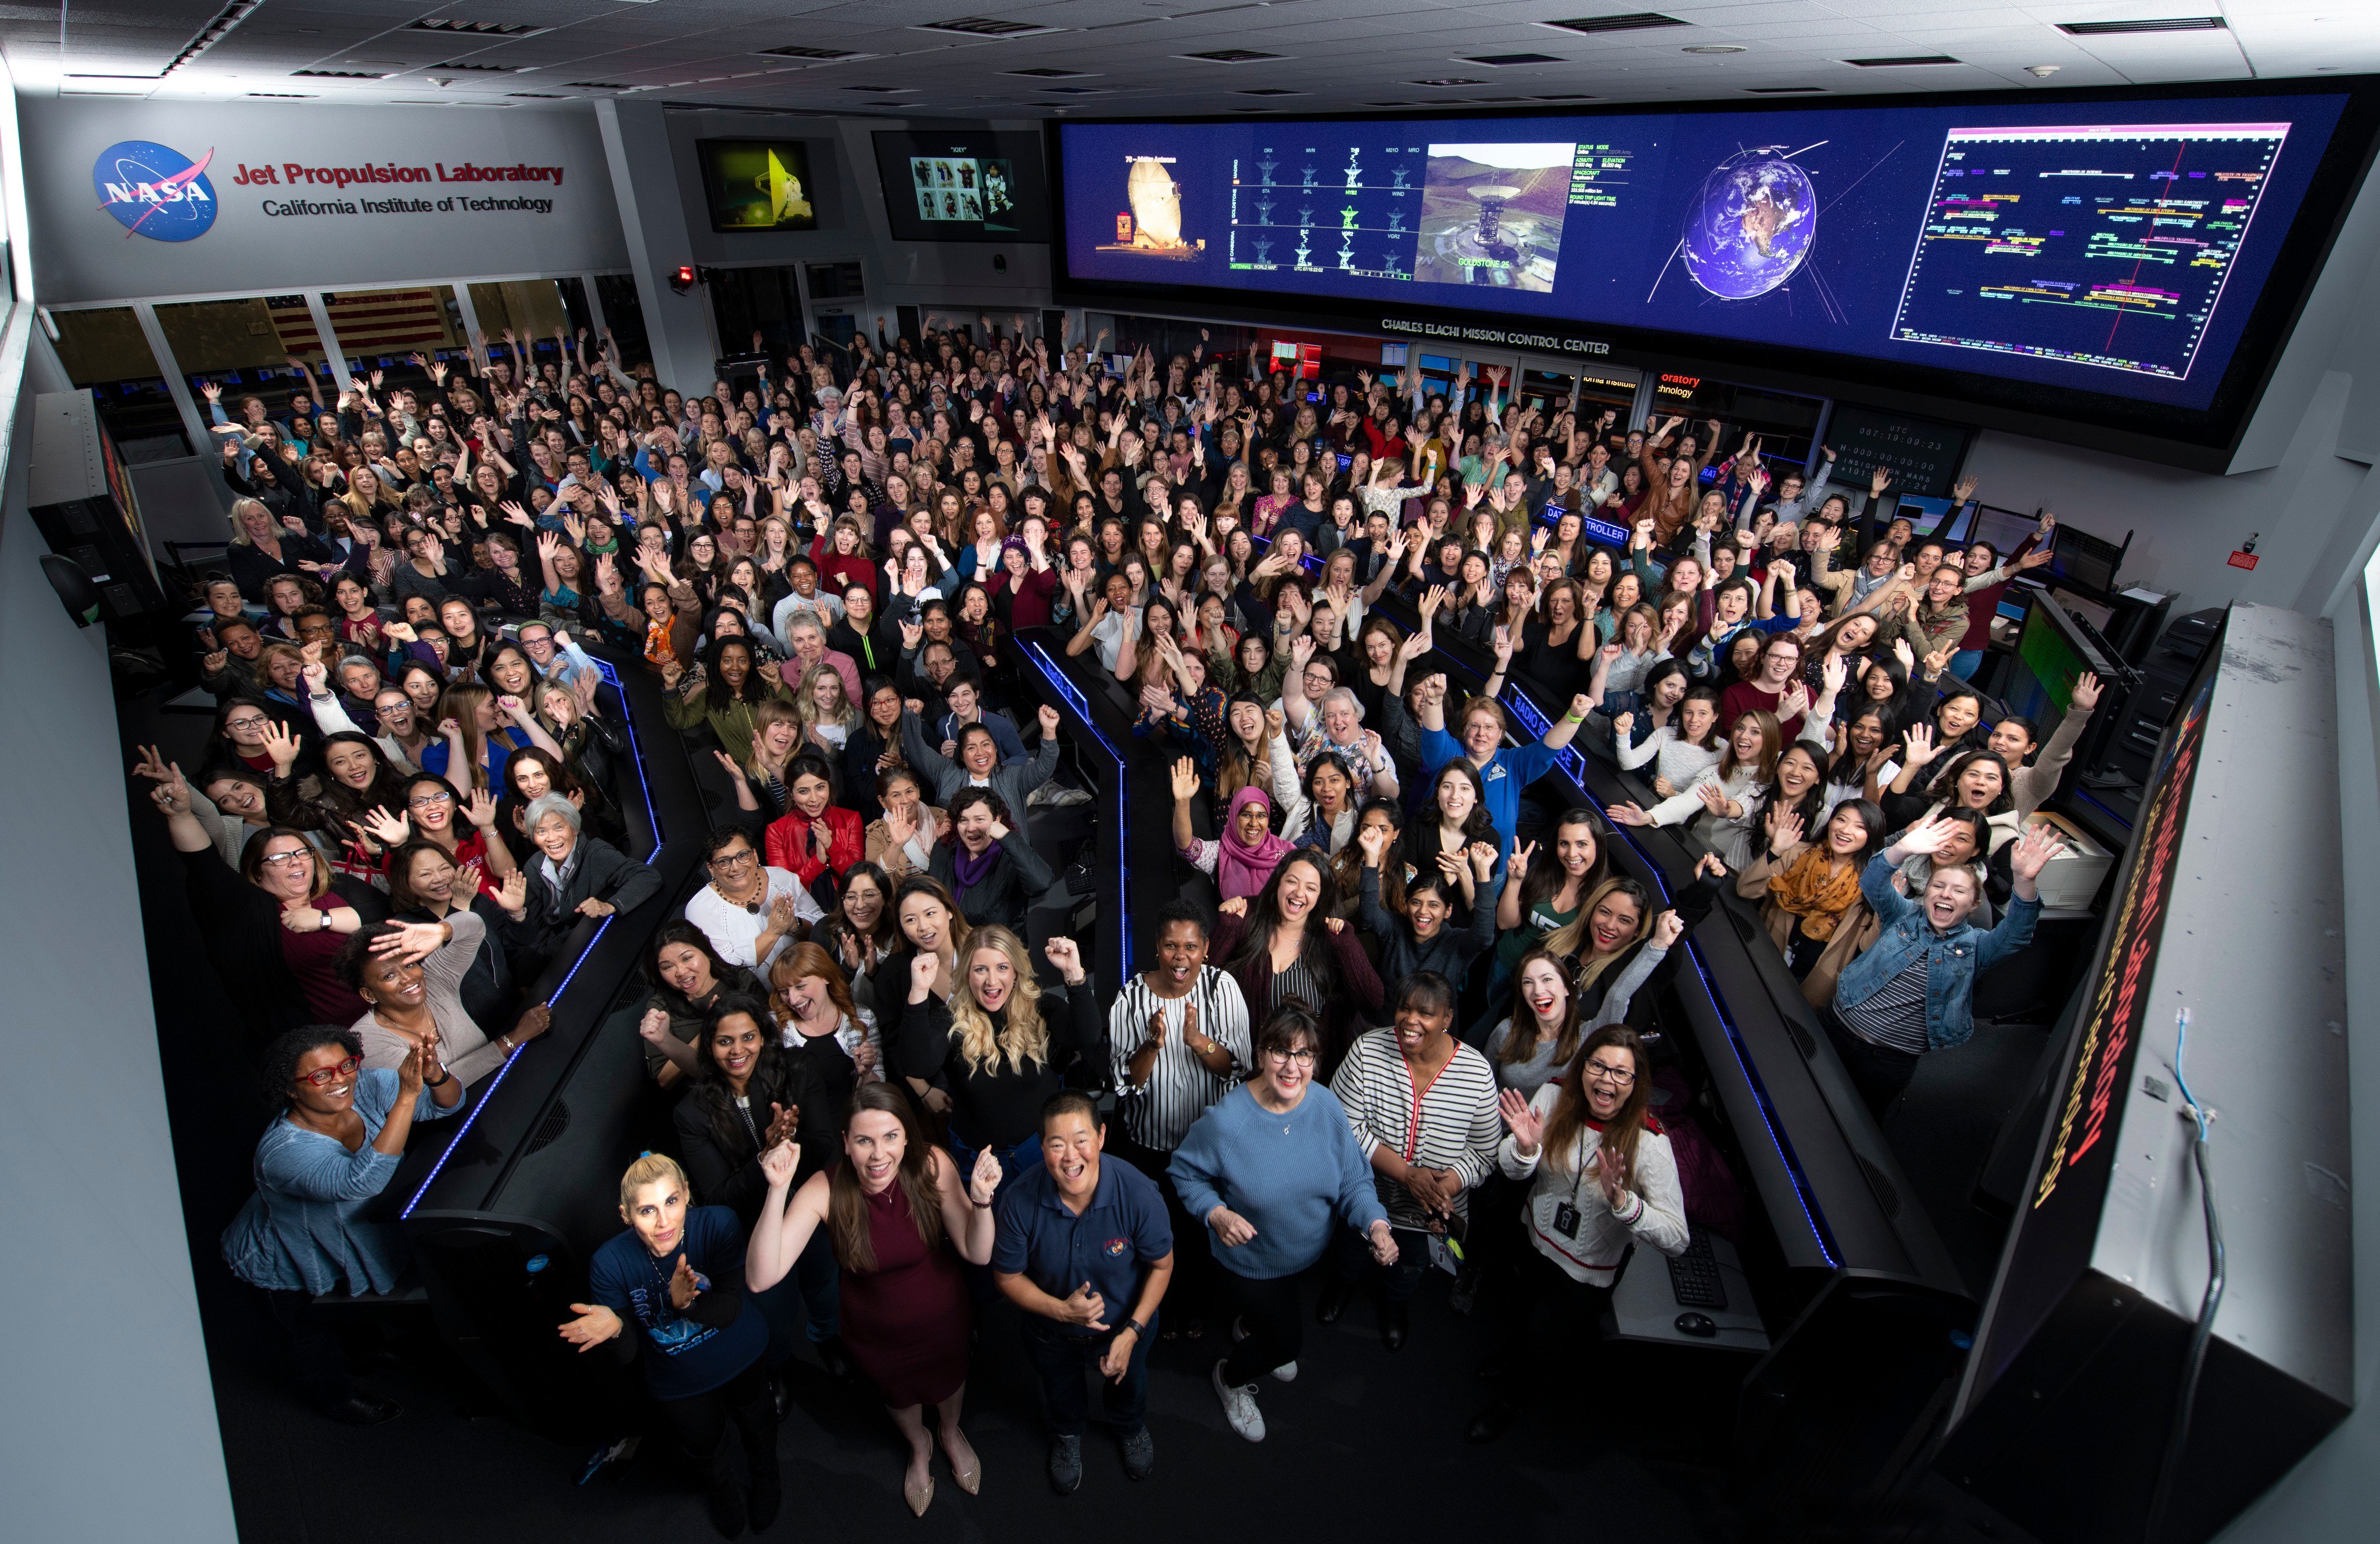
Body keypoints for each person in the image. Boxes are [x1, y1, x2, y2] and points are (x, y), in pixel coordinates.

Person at [744, 1086, 1003, 1516]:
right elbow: (760, 1277)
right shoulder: (825, 1188)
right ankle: (919, 1445)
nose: (878, 1154)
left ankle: (950, 1433)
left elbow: (977, 1252)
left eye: (890, 1137)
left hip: (943, 1318)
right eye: (864, 1140)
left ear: (907, 1137)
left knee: (950, 1381)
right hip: (874, 1332)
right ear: (846, 1142)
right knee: (897, 1395)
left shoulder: (932, 1164)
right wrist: (777, 1189)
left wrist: (981, 1201)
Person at [1169, 1006, 1396, 1443]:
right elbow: (1184, 1172)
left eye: (1304, 1054)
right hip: (1251, 1263)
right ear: (1260, 1055)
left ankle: (1254, 1326)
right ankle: (1230, 1378)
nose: (1293, 1066)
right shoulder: (1227, 1121)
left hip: (1304, 1254)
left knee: (1276, 1311)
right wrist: (1216, 1212)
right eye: (1281, 1052)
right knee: (1285, 1345)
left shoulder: (1326, 1105)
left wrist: (1376, 1224)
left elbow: (1353, 1178)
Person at [221, 1027, 461, 1423]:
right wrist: (406, 1097)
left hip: (340, 1239)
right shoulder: (282, 1152)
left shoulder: (367, 1086)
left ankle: (361, 1354)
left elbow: (448, 1105)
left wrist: (436, 1076)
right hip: (283, 1259)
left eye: (346, 1065)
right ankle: (337, 1399)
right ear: (290, 1089)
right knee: (306, 1336)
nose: (341, 1079)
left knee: (344, 1306)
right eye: (321, 1075)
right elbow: (361, 1182)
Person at [1465, 1024, 1689, 1443]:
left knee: (1545, 1338)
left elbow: (1678, 1238)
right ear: (1582, 1066)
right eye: (1598, 1066)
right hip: (1535, 1239)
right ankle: (1511, 1357)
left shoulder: (1650, 1142)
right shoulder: (1554, 1096)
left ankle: (1514, 1401)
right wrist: (1524, 1149)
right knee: (1520, 1309)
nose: (1607, 1080)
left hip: (1584, 1273)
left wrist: (1624, 1203)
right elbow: (1512, 1168)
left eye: (1621, 1073)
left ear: (1636, 1083)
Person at [560, 1155, 782, 1538]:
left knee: (758, 1423)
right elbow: (629, 1355)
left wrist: (688, 1305)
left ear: (687, 1195)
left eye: (671, 1202)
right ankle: (722, 1492)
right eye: (647, 1210)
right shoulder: (609, 1263)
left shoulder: (718, 1223)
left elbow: (731, 1308)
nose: (664, 1221)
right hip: (679, 1378)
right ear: (626, 1215)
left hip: (740, 1352)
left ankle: (766, 1475)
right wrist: (616, 1328)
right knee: (704, 1446)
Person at [993, 1091, 1176, 1492]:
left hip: (1126, 1324)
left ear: (1102, 1137)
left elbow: (1162, 1266)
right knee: (1059, 1391)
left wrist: (1132, 1333)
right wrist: (1062, 1311)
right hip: (1051, 1331)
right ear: (1042, 1146)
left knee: (1131, 1386)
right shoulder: (1019, 1199)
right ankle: (1068, 1434)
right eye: (1057, 1144)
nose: (1070, 1156)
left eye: (1081, 1140)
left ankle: (1130, 1427)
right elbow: (1007, 1278)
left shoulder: (1138, 1193)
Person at [1825, 816, 2062, 1114]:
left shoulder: (1977, 946)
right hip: (1837, 1028)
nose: (1946, 894)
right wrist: (1902, 848)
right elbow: (1872, 881)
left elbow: (2016, 934)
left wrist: (2025, 881)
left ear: (1974, 905)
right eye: (1938, 886)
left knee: (1859, 1119)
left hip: (1888, 1060)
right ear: (1927, 894)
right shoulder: (1903, 914)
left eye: (1959, 891)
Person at [1317, 973, 1502, 1350]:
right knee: (1351, 1250)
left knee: (1409, 1268)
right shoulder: (1368, 1050)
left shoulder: (1477, 1073)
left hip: (1427, 1214)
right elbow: (1340, 1124)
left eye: (1425, 1013)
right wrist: (1407, 1174)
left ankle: (1394, 1304)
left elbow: (1485, 1151)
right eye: (1404, 1008)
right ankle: (1344, 1285)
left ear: (1447, 1018)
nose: (1410, 1020)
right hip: (1364, 1194)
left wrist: (1446, 1187)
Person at [149, 761, 392, 1037]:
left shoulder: (339, 886)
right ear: (257, 871)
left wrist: (322, 919)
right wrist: (180, 816)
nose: (295, 862)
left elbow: (389, 916)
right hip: (331, 1042)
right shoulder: (253, 913)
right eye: (279, 857)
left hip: (397, 1017)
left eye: (302, 853)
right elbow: (204, 866)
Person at [1105, 901, 1250, 1341]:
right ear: (1157, 947)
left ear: (1206, 948)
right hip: (1148, 1146)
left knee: (1199, 1232)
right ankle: (1161, 1308)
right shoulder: (1131, 997)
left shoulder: (1222, 988)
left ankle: (1196, 1306)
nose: (1180, 956)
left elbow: (1237, 1068)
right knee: (1156, 1231)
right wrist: (1152, 1045)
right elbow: (1124, 1082)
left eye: (1190, 946)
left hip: (1207, 1148)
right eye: (1171, 945)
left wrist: (1198, 1042)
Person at [898, 930, 1098, 1183]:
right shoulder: (950, 1019)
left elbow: (1086, 1036)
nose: (991, 981)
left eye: (1002, 967)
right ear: (967, 974)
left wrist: (1073, 973)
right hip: (980, 1163)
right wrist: (918, 992)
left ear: (1016, 971)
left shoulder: (1041, 1007)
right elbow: (917, 1065)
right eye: (980, 969)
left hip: (1043, 1153)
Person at [1210, 850, 1382, 1070]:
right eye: (1292, 882)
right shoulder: (1247, 917)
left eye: (1311, 888)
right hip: (1244, 1068)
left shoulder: (1331, 939)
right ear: (1278, 882)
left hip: (1306, 1073)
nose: (1299, 893)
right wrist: (1228, 928)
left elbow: (1373, 1002)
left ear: (1320, 896)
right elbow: (1202, 980)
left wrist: (1347, 946)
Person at [341, 916, 551, 1084]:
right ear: (369, 995)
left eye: (409, 964)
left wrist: (442, 931)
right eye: (389, 976)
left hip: (507, 1083)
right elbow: (437, 1089)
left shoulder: (435, 979)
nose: (408, 978)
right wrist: (514, 1038)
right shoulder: (365, 1041)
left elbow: (475, 926)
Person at [518, 793, 661, 947]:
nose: (551, 838)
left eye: (559, 827)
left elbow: (647, 876)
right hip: (557, 950)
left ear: (574, 828)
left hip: (595, 942)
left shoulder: (596, 853)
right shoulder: (533, 866)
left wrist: (609, 906)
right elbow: (536, 927)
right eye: (541, 831)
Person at [686, 826, 822, 974]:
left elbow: (824, 929)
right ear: (711, 868)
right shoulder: (701, 908)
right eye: (724, 861)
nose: (736, 867)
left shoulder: (782, 878)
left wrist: (794, 924)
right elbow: (726, 969)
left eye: (743, 855)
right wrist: (773, 932)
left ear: (755, 855)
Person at [924, 787, 1056, 932]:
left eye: (979, 819)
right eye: (963, 820)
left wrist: (1007, 838)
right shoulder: (944, 848)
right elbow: (931, 897)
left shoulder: (1011, 855)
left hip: (996, 944)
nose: (971, 828)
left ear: (996, 820)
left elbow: (1042, 884)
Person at [1172, 761, 1295, 903]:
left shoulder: (1288, 854)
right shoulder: (1219, 853)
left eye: (1261, 816)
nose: (1254, 823)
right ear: (1234, 817)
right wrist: (1182, 802)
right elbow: (1186, 845)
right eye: (1246, 815)